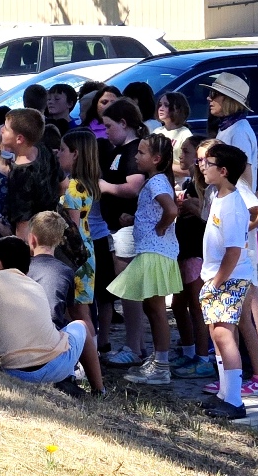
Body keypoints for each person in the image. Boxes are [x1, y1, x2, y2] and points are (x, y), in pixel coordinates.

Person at [0, 236, 105, 394]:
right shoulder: (36, 287)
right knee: (81, 325)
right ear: (27, 268)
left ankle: (69, 381)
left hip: (14, 372)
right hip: (54, 369)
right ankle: (99, 390)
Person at [203, 73, 258, 367]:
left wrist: (244, 215)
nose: (210, 100)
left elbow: (245, 177)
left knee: (246, 287)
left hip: (237, 221)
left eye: (216, 95)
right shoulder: (228, 129)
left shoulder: (238, 131)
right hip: (227, 217)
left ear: (231, 101)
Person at [107, 134, 181, 385]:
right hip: (151, 251)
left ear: (156, 159)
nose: (136, 157)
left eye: (141, 153)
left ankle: (161, 365)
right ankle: (157, 358)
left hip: (154, 252)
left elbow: (171, 210)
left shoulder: (157, 182)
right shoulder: (156, 181)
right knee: (151, 308)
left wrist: (161, 227)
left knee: (157, 310)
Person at [197, 143, 253, 419]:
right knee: (217, 335)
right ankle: (224, 393)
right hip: (217, 277)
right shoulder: (217, 196)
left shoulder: (232, 205)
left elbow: (234, 251)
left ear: (223, 170)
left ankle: (234, 400)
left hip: (230, 278)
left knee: (224, 334)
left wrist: (216, 282)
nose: (203, 167)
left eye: (209, 163)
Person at [98, 98, 148, 366]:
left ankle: (133, 347)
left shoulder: (132, 152)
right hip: (114, 227)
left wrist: (104, 186)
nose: (105, 132)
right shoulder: (118, 150)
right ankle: (136, 344)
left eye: (108, 126)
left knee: (129, 289)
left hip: (127, 229)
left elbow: (134, 187)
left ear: (124, 123)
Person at [170, 135, 216, 379]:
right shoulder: (189, 185)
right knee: (178, 303)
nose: (182, 156)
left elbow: (210, 219)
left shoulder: (208, 189)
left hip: (197, 252)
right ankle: (188, 350)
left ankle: (203, 356)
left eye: (187, 152)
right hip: (183, 249)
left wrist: (193, 207)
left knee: (197, 307)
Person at [57, 129, 99, 346]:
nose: (58, 153)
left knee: (79, 312)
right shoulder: (82, 183)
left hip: (75, 254)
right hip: (85, 251)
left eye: (63, 149)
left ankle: (89, 354)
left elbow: (71, 226)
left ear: (75, 154)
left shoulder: (73, 188)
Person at [1, 108, 65, 241]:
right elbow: (64, 185)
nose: (1, 130)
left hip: (36, 239)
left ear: (19, 139)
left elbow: (23, 223)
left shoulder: (20, 173)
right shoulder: (44, 149)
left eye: (6, 128)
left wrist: (24, 253)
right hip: (54, 225)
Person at [27, 211, 75, 329]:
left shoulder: (22, 268)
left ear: (31, 239)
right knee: (82, 325)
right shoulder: (66, 271)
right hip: (53, 332)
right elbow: (67, 309)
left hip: (24, 330)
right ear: (59, 240)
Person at [154, 91, 192, 181]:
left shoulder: (185, 134)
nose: (161, 108)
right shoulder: (156, 132)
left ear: (177, 109)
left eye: (166, 105)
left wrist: (164, 165)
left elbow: (190, 170)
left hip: (177, 186)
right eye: (160, 105)